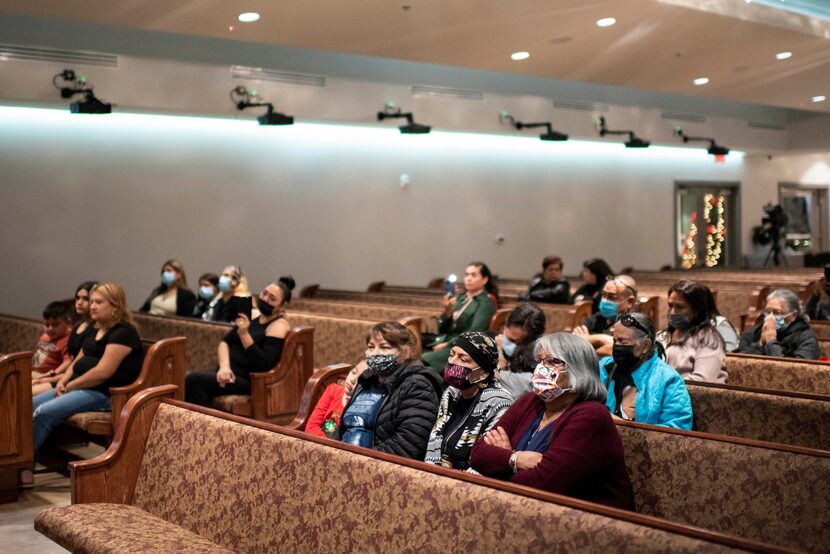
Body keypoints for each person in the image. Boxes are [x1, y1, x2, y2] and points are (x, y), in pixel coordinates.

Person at [469, 333, 633, 509]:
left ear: (578, 370)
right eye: (540, 361)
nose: (541, 368)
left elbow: (544, 485)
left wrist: (499, 464)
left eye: (552, 362)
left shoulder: (592, 416)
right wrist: (515, 459)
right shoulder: (531, 401)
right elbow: (478, 454)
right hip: (529, 509)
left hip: (595, 523)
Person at [32, 283, 145, 456]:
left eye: (98, 302)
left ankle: (24, 466)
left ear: (115, 306)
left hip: (104, 393)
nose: (92, 306)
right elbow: (78, 360)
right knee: (29, 404)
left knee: (43, 413)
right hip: (80, 386)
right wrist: (63, 380)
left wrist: (70, 386)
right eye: (92, 301)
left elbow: (102, 372)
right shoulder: (96, 328)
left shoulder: (123, 332)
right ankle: (17, 459)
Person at [338, 321, 443, 459]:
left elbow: (409, 443)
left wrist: (361, 462)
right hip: (345, 458)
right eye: (371, 347)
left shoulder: (418, 385)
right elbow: (343, 429)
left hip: (379, 466)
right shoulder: (367, 380)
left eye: (384, 347)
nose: (375, 353)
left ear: (404, 352)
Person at [185, 277, 295, 407]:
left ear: (282, 305)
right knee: (185, 376)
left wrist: (244, 335)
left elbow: (263, 364)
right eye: (264, 293)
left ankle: (202, 424)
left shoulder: (279, 326)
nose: (265, 299)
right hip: (226, 372)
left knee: (193, 381)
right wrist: (224, 367)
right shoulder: (253, 316)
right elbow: (224, 342)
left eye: (272, 298)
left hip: (246, 379)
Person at [424, 332, 513, 472]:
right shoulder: (451, 392)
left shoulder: (499, 403)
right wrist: (430, 475)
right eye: (452, 354)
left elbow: (486, 459)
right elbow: (435, 439)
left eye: (463, 360)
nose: (453, 362)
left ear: (483, 372)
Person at [598, 312, 692, 429]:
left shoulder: (668, 379)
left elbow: (677, 430)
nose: (617, 347)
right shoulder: (604, 367)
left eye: (623, 342)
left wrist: (622, 427)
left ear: (646, 346)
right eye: (615, 341)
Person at [422, 262, 497, 371]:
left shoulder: (486, 301)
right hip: (444, 340)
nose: (468, 278)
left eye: (473, 275)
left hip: (462, 347)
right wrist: (447, 312)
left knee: (424, 360)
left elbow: (474, 331)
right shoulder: (460, 298)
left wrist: (447, 344)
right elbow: (441, 328)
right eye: (467, 275)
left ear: (484, 280)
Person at [33, 281, 101, 395]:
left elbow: (76, 363)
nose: (79, 303)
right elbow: (72, 361)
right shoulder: (77, 326)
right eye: (77, 298)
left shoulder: (95, 329)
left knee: (27, 394)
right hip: (65, 375)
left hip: (74, 378)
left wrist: (49, 378)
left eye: (85, 299)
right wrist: (51, 375)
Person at [657, 280, 726, 383]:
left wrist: (662, 386)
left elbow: (702, 381)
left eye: (680, 307)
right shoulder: (663, 335)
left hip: (690, 396)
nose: (672, 312)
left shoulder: (708, 339)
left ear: (697, 310)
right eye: (670, 305)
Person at [737, 289, 820, 359]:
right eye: (768, 312)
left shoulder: (807, 338)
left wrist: (771, 342)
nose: (771, 317)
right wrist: (759, 344)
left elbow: (792, 372)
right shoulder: (754, 332)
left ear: (793, 315)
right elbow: (737, 362)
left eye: (778, 312)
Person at [573, 275, 638, 357]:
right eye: (603, 295)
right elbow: (575, 340)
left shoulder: (634, 322)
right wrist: (603, 342)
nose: (604, 300)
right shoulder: (598, 317)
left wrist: (598, 338)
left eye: (612, 297)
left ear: (630, 302)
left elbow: (617, 349)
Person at [305, 361, 368, 438]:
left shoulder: (364, 408)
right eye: (353, 372)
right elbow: (311, 428)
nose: (352, 380)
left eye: (359, 380)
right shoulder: (333, 391)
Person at [496, 303, 546, 398]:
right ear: (505, 326)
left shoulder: (539, 358)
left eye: (520, 343)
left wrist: (499, 371)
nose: (515, 346)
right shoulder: (493, 343)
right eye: (511, 340)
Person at [30, 301, 73, 396]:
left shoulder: (67, 340)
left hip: (47, 375)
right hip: (34, 371)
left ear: (68, 324)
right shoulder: (45, 336)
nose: (50, 328)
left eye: (55, 325)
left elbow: (68, 361)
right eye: (47, 325)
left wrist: (53, 373)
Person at [700, 284, 739, 352]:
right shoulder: (680, 327)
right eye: (673, 306)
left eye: (680, 307)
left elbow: (729, 354)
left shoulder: (719, 324)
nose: (674, 312)